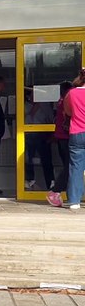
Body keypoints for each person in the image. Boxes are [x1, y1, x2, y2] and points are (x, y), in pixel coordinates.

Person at [24, 88, 55, 191]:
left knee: (46, 161)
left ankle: (51, 184)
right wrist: (33, 110)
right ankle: (29, 182)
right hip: (29, 134)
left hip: (42, 135)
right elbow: (24, 121)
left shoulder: (45, 106)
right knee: (28, 160)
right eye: (32, 95)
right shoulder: (24, 106)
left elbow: (51, 119)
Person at [64, 69, 85, 211]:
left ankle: (74, 201)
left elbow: (68, 112)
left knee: (76, 167)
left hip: (77, 132)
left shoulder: (71, 93)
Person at [49, 81, 73, 207]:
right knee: (70, 166)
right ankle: (56, 190)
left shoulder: (61, 101)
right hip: (67, 137)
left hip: (62, 138)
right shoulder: (66, 102)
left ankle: (68, 193)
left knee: (69, 166)